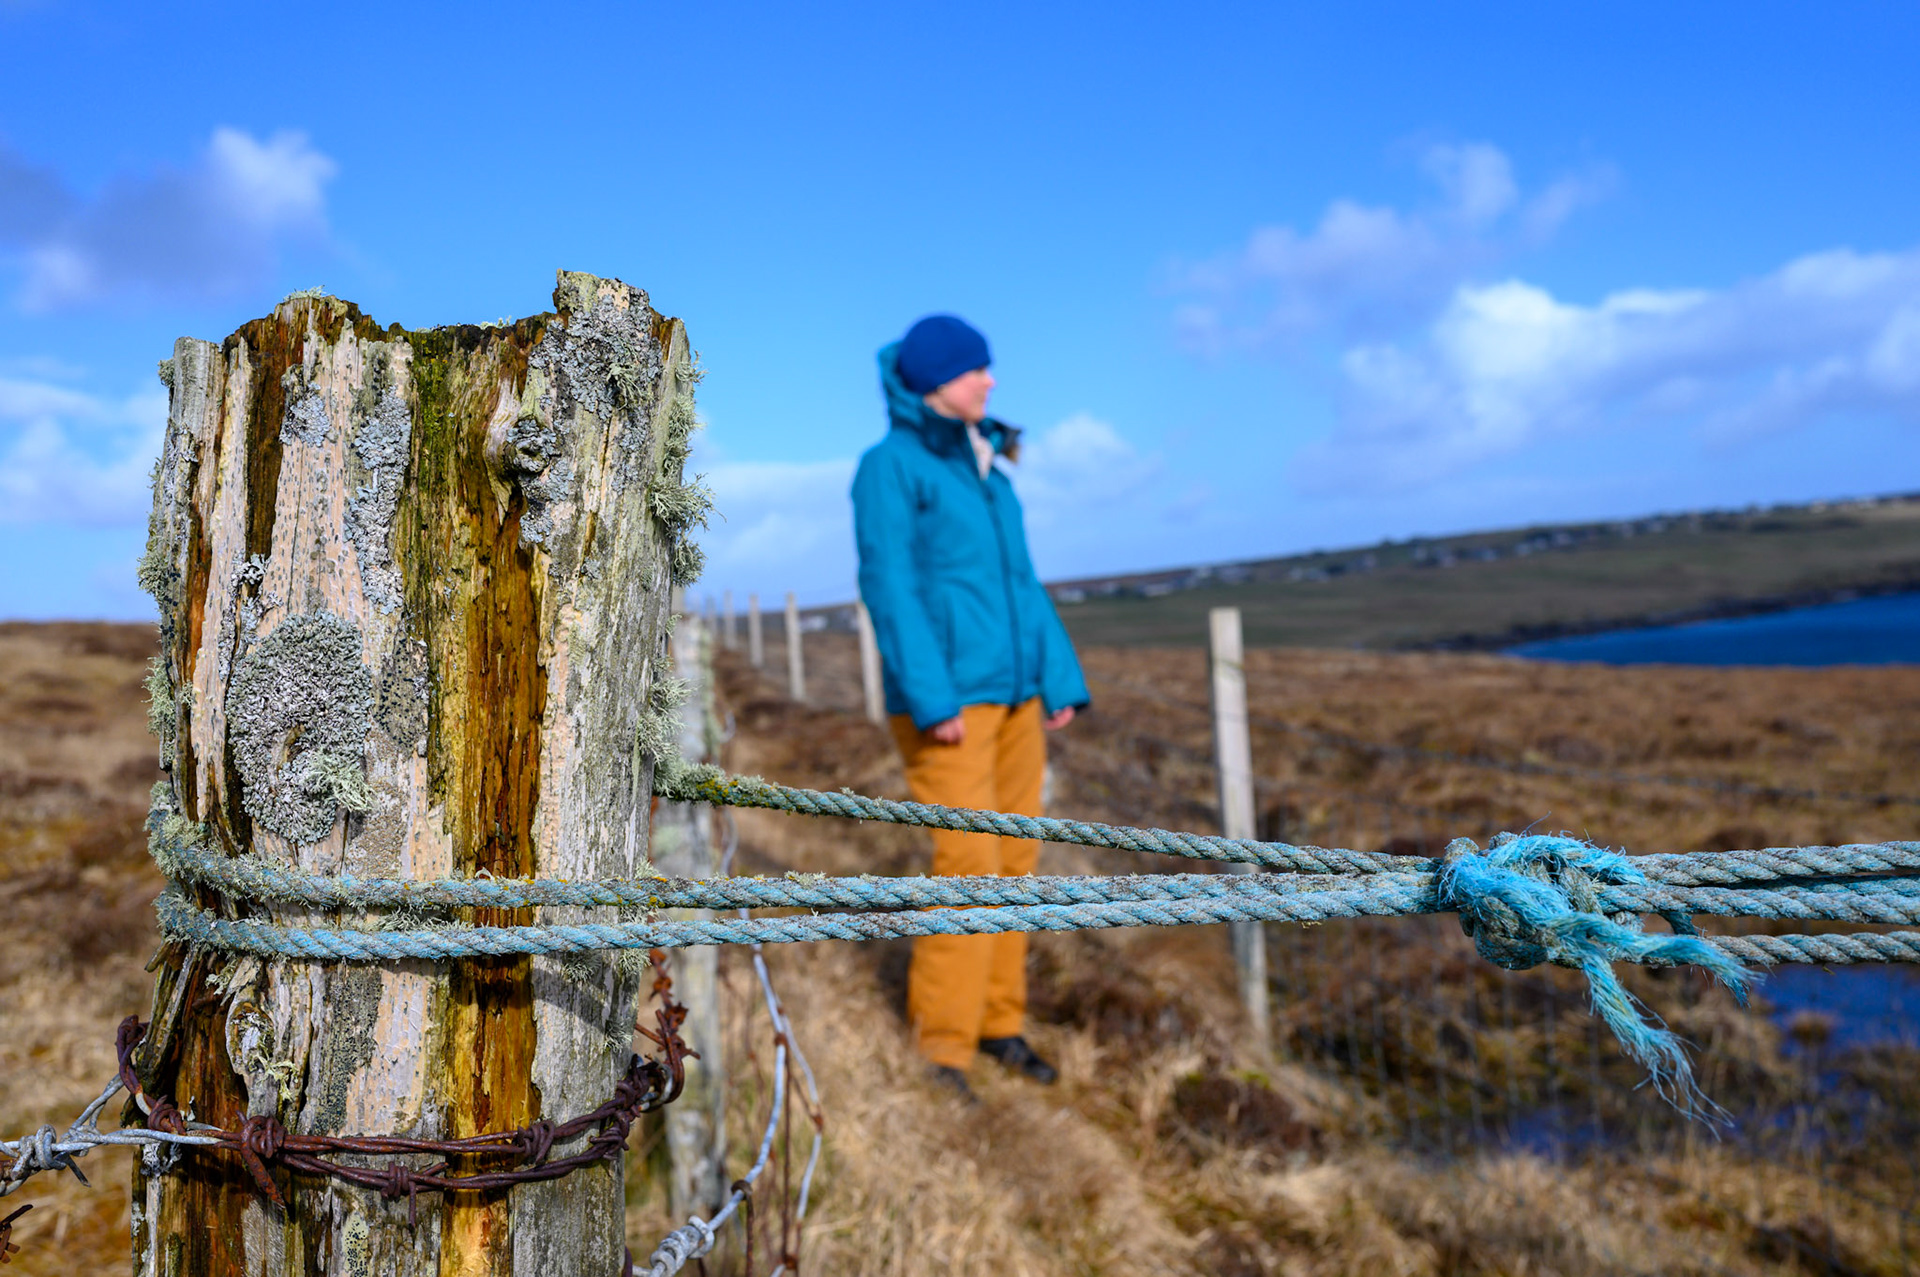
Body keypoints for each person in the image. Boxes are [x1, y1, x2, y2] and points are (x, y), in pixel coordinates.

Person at [852, 314, 1090, 1098]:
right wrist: (931, 696)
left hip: (1018, 696)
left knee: (1017, 860)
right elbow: (891, 588)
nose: (990, 381)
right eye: (974, 371)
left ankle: (998, 1023)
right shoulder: (890, 466)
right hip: (950, 703)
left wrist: (1059, 679)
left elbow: (1022, 585)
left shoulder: (989, 468)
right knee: (968, 864)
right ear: (932, 382)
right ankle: (942, 1045)